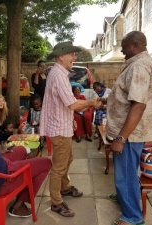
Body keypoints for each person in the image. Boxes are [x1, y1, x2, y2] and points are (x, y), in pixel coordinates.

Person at [100, 31, 152, 225]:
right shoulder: (136, 63)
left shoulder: (139, 66)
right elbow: (127, 97)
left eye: (124, 47)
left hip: (130, 134)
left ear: (134, 46)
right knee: (125, 171)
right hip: (129, 131)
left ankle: (133, 216)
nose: (123, 51)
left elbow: (138, 105)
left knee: (125, 174)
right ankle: (124, 197)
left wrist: (121, 138)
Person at [39, 41, 101, 217]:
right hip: (59, 128)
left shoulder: (58, 73)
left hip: (62, 124)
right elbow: (72, 103)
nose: (74, 57)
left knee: (68, 159)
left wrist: (70, 120)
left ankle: (65, 187)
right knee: (59, 167)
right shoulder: (58, 75)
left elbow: (62, 103)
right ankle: (56, 202)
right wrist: (90, 102)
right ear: (61, 56)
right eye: (72, 54)